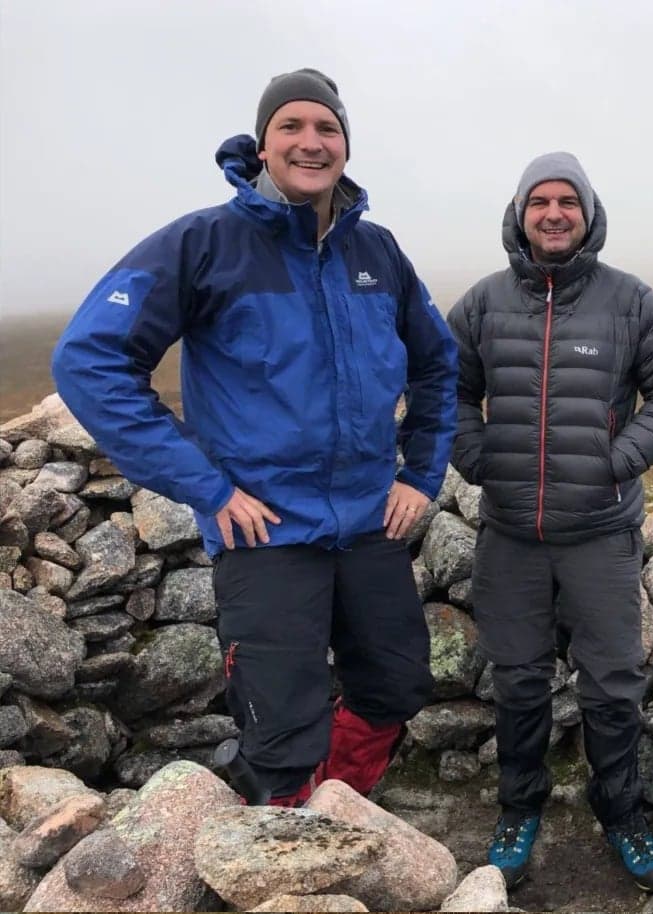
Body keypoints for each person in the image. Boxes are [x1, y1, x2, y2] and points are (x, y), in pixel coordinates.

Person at [52, 68, 458, 807]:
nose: (311, 141)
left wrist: (420, 474)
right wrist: (206, 487)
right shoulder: (206, 242)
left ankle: (336, 811)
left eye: (327, 127)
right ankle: (280, 839)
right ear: (262, 146)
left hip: (368, 521)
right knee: (280, 732)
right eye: (291, 127)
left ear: (346, 144)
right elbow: (90, 359)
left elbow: (437, 363)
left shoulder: (378, 253)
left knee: (397, 686)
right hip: (263, 529)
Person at [447, 151, 653, 890]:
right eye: (540, 202)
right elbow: (444, 390)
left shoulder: (630, 301)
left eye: (568, 202)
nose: (554, 214)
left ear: (588, 215)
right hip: (510, 536)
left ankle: (620, 813)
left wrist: (615, 462)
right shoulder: (483, 304)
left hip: (599, 535)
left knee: (613, 685)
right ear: (519, 213)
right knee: (518, 682)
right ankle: (519, 808)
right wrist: (477, 457)